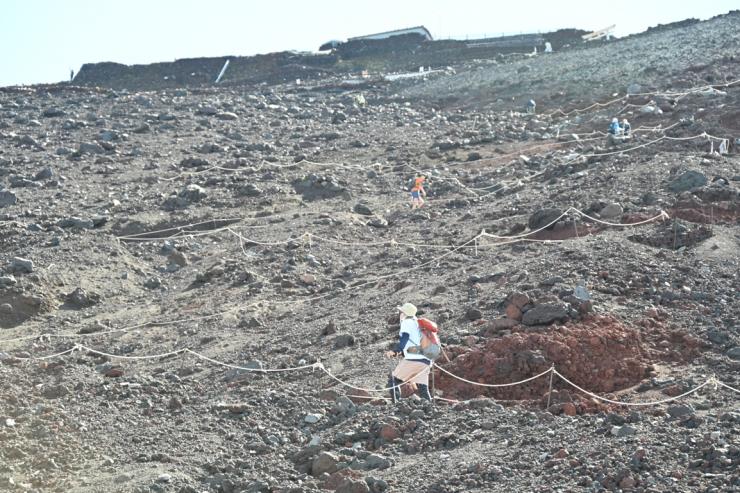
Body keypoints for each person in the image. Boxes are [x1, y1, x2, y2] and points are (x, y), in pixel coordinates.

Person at [385, 302, 432, 402]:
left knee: (393, 380)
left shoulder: (407, 322)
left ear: (405, 313)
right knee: (423, 388)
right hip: (426, 359)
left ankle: (396, 405)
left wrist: (396, 351)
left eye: (401, 312)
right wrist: (401, 352)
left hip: (413, 358)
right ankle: (431, 409)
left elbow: (405, 337)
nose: (400, 314)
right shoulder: (418, 324)